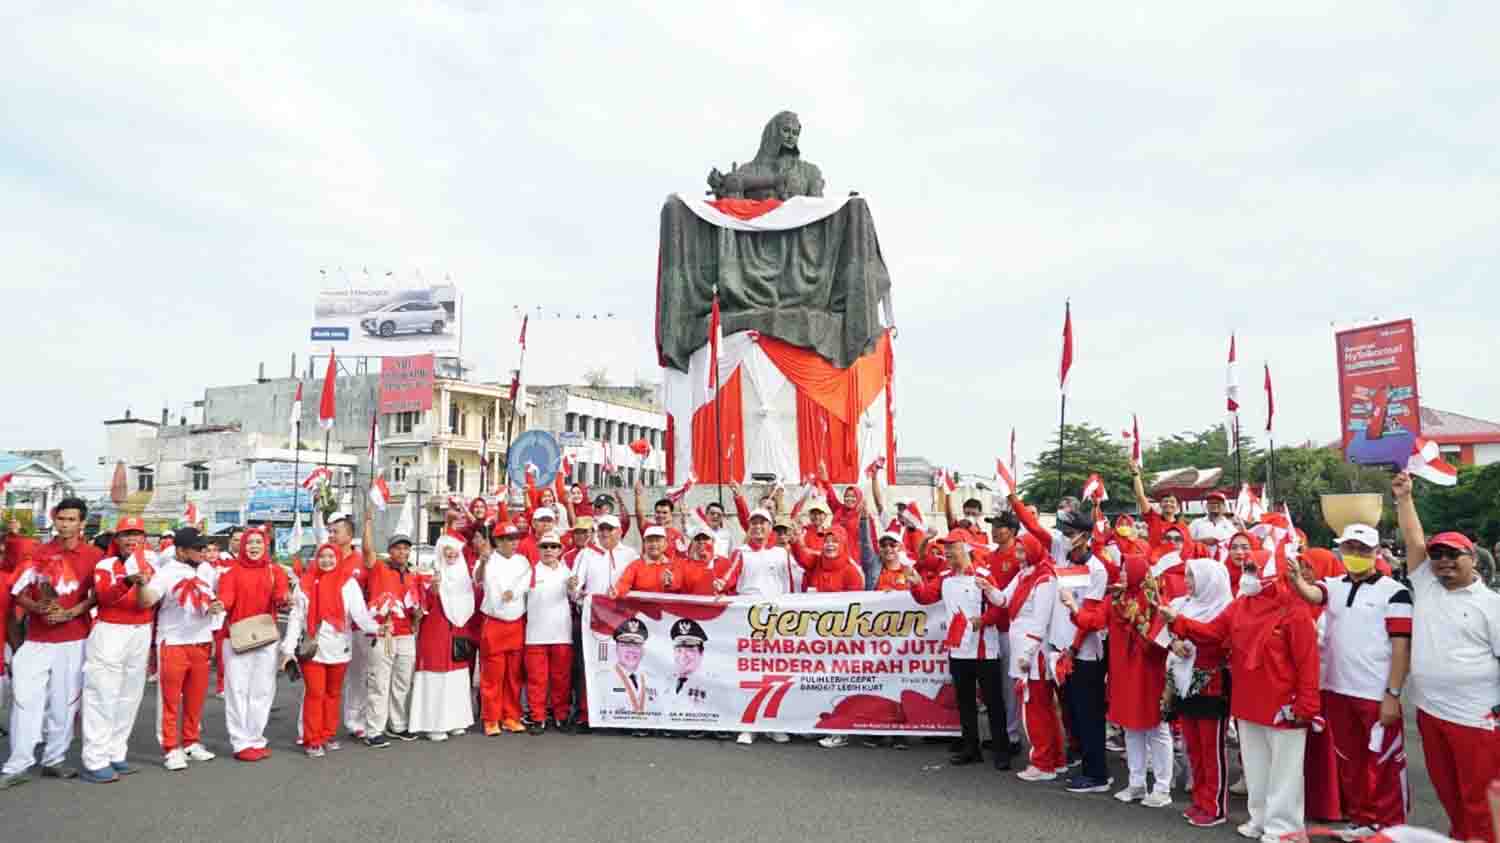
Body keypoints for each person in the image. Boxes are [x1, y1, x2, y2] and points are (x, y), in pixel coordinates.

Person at [1160, 532, 1320, 843]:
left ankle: (1284, 827)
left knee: (1284, 772)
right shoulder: (1240, 606)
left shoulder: (1294, 609)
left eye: (1253, 569)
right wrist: (1178, 621)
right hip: (1248, 700)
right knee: (1257, 766)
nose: (1246, 575)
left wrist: (1307, 704)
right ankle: (1259, 818)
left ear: (1270, 574)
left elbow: (1307, 662)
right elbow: (1211, 633)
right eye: (1245, 568)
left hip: (1282, 702)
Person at [1393, 471, 1500, 843]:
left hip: (1477, 721)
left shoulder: (1491, 605)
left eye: (1453, 554)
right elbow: (1413, 540)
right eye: (1437, 555)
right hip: (1431, 714)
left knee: (1480, 803)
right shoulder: (1426, 587)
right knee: (1449, 796)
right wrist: (1405, 499)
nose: (1443, 562)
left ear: (1473, 558)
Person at [1287, 522, 1411, 838]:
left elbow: (1401, 647)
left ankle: (1390, 827)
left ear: (1375, 552)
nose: (1354, 554)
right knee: (1350, 762)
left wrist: (1393, 693)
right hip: (1337, 689)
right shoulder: (1335, 585)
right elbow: (1313, 594)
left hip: (1375, 692)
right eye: (1349, 548)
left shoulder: (1395, 593)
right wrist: (1296, 577)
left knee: (1385, 763)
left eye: (1361, 549)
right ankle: (1362, 819)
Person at [2, 497, 100, 787]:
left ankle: (54, 760)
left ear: (82, 523)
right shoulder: (37, 552)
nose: (65, 524)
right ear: (54, 520)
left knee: (65, 703)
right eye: (61, 519)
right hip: (37, 638)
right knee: (25, 699)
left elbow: (96, 595)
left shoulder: (94, 555)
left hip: (74, 638)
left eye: (71, 520)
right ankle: (17, 764)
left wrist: (71, 612)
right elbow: (18, 592)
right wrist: (38, 608)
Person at [1065, 556, 1171, 807]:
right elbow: (1093, 622)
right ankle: (1136, 784)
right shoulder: (1115, 601)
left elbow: (1161, 641)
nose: (1121, 573)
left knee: (1157, 730)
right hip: (1123, 673)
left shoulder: (1155, 601)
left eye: (1126, 569)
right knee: (1131, 729)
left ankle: (1162, 788)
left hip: (1149, 673)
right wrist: (1073, 607)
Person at [909, 531, 1009, 769]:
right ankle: (971, 748)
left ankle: (1001, 750)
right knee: (965, 703)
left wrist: (983, 620)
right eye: (946, 548)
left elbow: (1000, 607)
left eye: (952, 547)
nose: (948, 552)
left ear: (964, 548)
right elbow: (925, 597)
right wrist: (915, 585)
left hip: (985, 651)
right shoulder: (944, 577)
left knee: (994, 702)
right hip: (958, 650)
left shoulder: (983, 575)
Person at [280, 543, 381, 757]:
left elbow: (360, 615)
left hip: (340, 647)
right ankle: (312, 739)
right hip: (313, 648)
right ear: (316, 559)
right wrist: (288, 648)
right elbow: (296, 619)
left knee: (333, 694)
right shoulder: (305, 584)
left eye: (331, 556)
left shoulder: (348, 584)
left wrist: (377, 628)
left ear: (337, 558)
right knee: (315, 694)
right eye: (322, 556)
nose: (327, 561)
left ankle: (327, 735)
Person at [77, 516, 156, 782]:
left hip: (141, 632)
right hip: (110, 631)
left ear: (143, 538)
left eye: (136, 534)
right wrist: (127, 581)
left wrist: (144, 584)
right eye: (126, 534)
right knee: (102, 694)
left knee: (129, 696)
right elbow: (104, 596)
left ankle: (115, 752)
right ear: (117, 539)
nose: (131, 539)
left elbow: (151, 601)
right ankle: (95, 759)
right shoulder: (106, 565)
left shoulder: (153, 563)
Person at [139, 528, 224, 771]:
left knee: (196, 698)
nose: (203, 553)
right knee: (170, 700)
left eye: (204, 549)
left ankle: (191, 741)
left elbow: (214, 600)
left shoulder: (207, 571)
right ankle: (170, 747)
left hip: (201, 641)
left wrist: (215, 616)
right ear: (180, 550)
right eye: (198, 550)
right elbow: (148, 600)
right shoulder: (165, 574)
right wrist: (141, 586)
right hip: (173, 643)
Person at [1162, 558, 1234, 827]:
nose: (1188, 582)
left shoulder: (1225, 607)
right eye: (1187, 576)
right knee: (1193, 746)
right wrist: (1175, 643)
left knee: (1211, 749)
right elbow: (1168, 635)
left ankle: (1215, 806)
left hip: (1212, 685)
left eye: (1193, 576)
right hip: (1184, 681)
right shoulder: (1184, 603)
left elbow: (1213, 637)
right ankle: (1200, 800)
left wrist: (1180, 626)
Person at [720, 509, 800, 745]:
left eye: (763, 523)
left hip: (776, 620)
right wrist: (719, 585)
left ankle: (774, 724)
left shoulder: (781, 553)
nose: (758, 527)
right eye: (754, 523)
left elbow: (791, 587)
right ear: (748, 527)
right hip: (748, 619)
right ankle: (749, 725)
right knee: (750, 673)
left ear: (770, 527)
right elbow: (728, 581)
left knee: (775, 672)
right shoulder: (740, 553)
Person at [215, 525, 289, 761]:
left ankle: (256, 737)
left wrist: (287, 601)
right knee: (237, 690)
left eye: (258, 542)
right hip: (236, 637)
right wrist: (219, 605)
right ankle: (240, 742)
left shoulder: (275, 571)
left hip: (266, 637)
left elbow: (280, 597)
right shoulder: (230, 572)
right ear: (242, 546)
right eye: (250, 542)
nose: (254, 546)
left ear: (266, 545)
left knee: (263, 690)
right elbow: (226, 599)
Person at [569, 514, 639, 733]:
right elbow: (574, 589)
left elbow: (637, 583)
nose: (605, 533)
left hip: (622, 621)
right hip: (592, 620)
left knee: (622, 666)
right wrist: (574, 589)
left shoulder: (630, 554)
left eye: (610, 529)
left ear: (619, 531)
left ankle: (621, 714)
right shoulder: (586, 554)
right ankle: (585, 714)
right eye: (602, 529)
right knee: (587, 667)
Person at [797, 526, 866, 749]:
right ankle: (818, 724)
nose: (829, 544)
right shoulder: (816, 561)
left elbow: (857, 607)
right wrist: (796, 539)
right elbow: (801, 555)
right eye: (827, 540)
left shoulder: (852, 570)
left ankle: (840, 731)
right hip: (815, 639)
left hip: (840, 640)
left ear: (844, 543)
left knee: (839, 685)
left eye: (835, 541)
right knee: (815, 683)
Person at [408, 535, 477, 741]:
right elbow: (422, 604)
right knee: (435, 675)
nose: (451, 553)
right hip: (435, 631)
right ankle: (433, 723)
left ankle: (456, 720)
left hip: (457, 631)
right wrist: (434, 589)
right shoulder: (429, 572)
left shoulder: (464, 575)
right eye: (447, 549)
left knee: (456, 675)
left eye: (454, 549)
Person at [362, 528, 423, 748]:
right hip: (383, 632)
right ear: (390, 551)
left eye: (406, 548)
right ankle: (374, 730)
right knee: (379, 682)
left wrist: (417, 617)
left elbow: (415, 604)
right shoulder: (379, 567)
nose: (403, 551)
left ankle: (397, 725)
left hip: (406, 634)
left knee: (403, 682)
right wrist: (369, 522)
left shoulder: (412, 574)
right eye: (398, 548)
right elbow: (367, 551)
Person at [477, 524, 530, 735]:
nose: (514, 543)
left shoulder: (522, 561)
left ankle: (511, 716)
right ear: (498, 541)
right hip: (495, 622)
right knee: (493, 674)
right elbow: (478, 578)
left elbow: (525, 582)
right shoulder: (489, 559)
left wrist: (513, 593)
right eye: (509, 539)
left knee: (513, 675)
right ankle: (491, 719)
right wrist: (482, 561)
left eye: (516, 538)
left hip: (516, 621)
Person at [524, 531, 576, 734]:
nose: (549, 550)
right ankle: (538, 717)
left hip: (561, 633)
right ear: (538, 549)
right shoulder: (530, 572)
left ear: (560, 550)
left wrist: (573, 587)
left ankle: (560, 715)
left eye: (553, 546)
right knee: (537, 679)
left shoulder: (567, 572)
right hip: (535, 634)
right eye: (545, 546)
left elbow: (575, 595)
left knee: (561, 678)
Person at [611, 526, 677, 596]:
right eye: (650, 541)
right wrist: (616, 591)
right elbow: (623, 584)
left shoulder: (674, 565)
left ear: (665, 544)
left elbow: (683, 590)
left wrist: (672, 584)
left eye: (658, 540)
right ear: (644, 544)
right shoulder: (635, 565)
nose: (654, 544)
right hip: (640, 606)